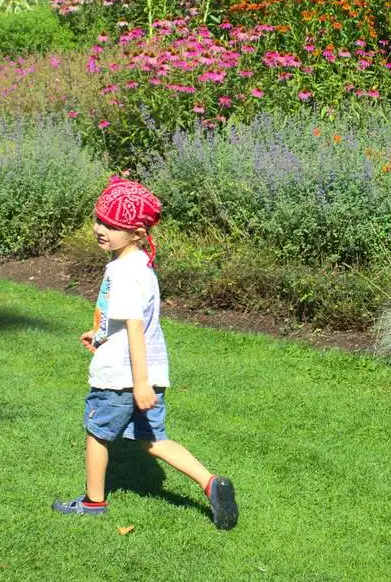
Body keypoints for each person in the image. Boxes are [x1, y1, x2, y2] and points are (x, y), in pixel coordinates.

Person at [52, 176, 239, 530]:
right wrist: (101, 333)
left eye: (112, 225)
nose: (100, 229)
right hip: (148, 372)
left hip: (123, 377)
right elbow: (129, 321)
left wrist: (139, 384)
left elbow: (136, 328)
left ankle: (93, 502)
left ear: (137, 232)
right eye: (99, 219)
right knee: (152, 440)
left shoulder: (123, 273)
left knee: (97, 433)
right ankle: (210, 483)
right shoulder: (140, 267)